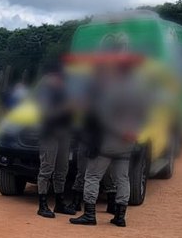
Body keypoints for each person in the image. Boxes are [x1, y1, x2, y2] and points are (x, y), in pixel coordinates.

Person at [70, 59, 150, 228]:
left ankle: (89, 214)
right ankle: (120, 217)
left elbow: (104, 117)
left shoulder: (112, 91)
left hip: (107, 142)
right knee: (123, 178)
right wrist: (132, 132)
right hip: (127, 143)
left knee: (92, 176)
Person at [35, 65, 73, 218]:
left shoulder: (65, 89)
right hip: (49, 133)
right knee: (46, 169)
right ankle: (42, 204)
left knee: (62, 169)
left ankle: (60, 202)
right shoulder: (44, 91)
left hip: (64, 132)